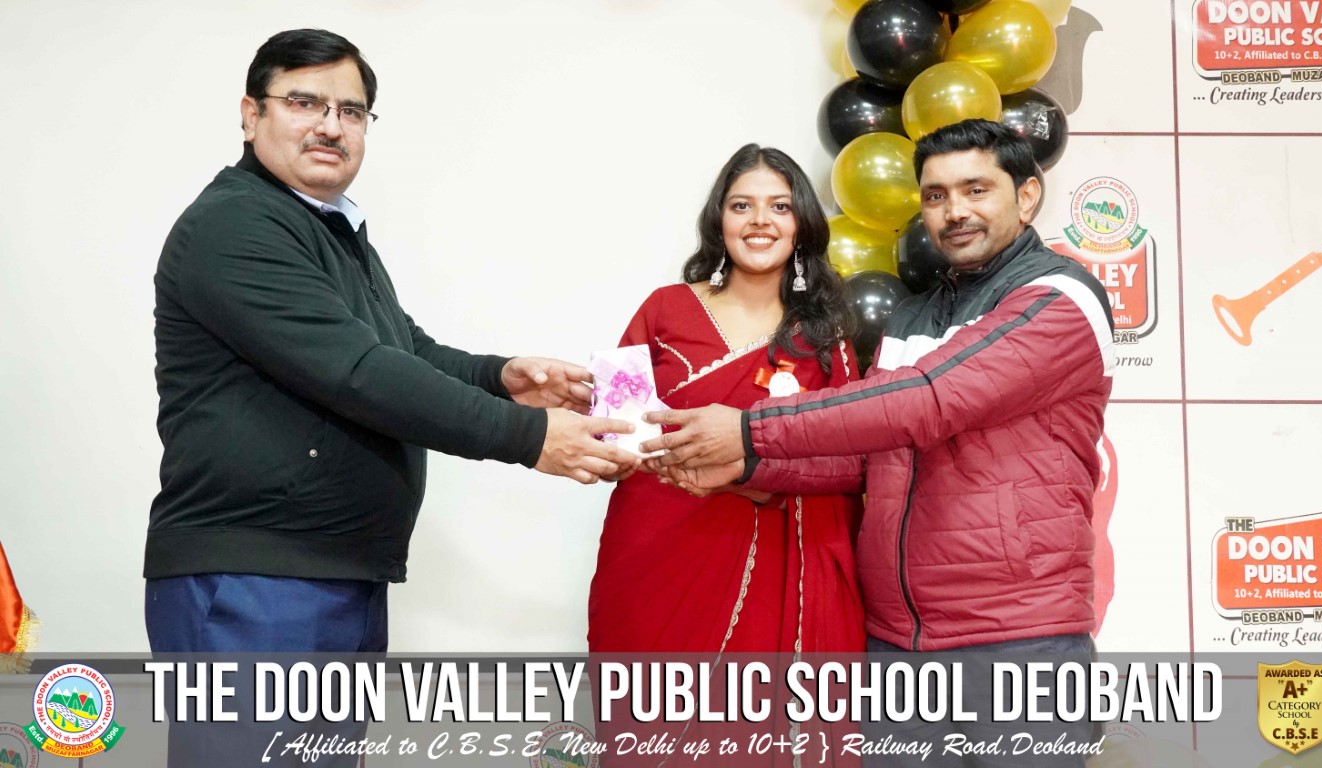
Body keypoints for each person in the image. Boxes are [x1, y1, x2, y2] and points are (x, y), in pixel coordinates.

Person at [146, 28, 638, 656]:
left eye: (351, 111)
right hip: (255, 578)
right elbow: (358, 371)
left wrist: (500, 377)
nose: (330, 126)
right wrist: (530, 437)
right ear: (251, 115)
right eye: (304, 103)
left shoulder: (325, 225)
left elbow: (405, 350)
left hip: (333, 571)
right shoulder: (236, 223)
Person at [640, 120, 1116, 766]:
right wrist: (745, 465)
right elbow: (866, 458)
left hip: (1018, 643)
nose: (955, 211)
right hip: (896, 647)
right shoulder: (911, 316)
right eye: (936, 195)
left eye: (976, 189)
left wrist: (746, 428)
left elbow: (927, 399)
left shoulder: (1058, 298)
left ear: (1026, 196)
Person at [587, 145, 865, 766]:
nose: (760, 221)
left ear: (802, 223)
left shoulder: (824, 336)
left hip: (778, 558)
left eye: (779, 207)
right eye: (742, 206)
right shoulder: (663, 309)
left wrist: (750, 473)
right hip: (655, 556)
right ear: (720, 219)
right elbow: (611, 433)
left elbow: (851, 463)